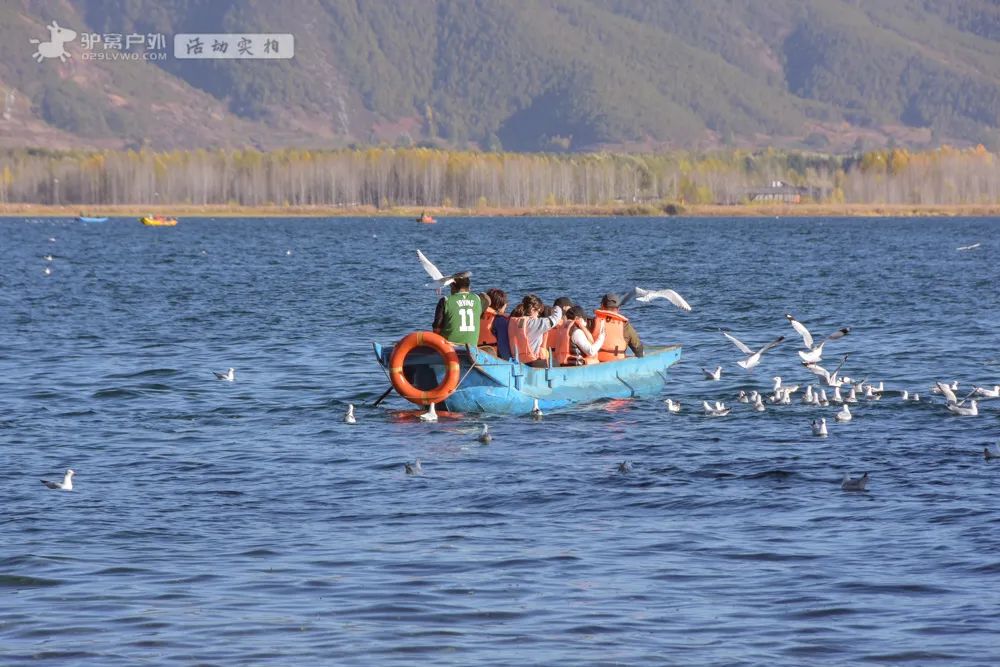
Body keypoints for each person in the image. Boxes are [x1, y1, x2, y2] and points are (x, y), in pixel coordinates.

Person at [432, 273, 488, 346]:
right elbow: (488, 299)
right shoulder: (477, 299)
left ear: (452, 286)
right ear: (469, 287)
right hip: (471, 348)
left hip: (449, 348)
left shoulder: (445, 301)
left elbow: (436, 329)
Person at [507, 294, 563, 367]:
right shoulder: (534, 323)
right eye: (538, 312)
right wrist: (558, 307)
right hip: (531, 362)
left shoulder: (514, 322)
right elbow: (555, 318)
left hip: (518, 361)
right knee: (556, 363)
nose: (538, 315)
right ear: (532, 310)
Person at [591, 293, 643, 361]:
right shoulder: (625, 326)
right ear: (618, 308)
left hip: (596, 362)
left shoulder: (592, 322)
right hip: (617, 363)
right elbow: (638, 349)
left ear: (602, 306)